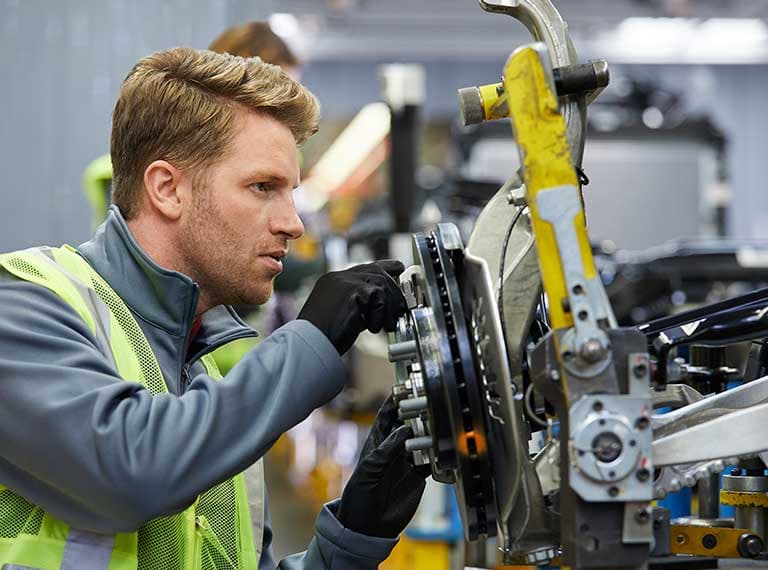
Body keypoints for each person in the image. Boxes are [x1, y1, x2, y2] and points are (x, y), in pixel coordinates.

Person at [0, 47, 426, 569]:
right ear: (168, 189)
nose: (293, 223)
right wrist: (310, 338)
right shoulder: (23, 308)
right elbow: (128, 470)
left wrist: (360, 526)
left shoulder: (206, 379)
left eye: (289, 192)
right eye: (263, 187)